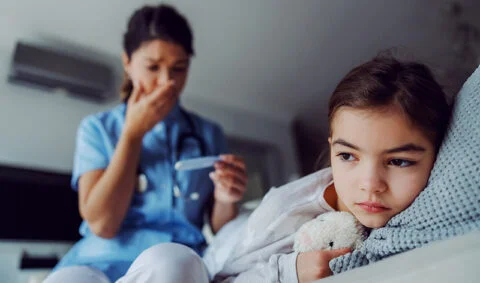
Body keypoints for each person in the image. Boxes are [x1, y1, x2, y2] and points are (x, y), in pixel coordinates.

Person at [45, 4, 247, 283]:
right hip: (98, 260)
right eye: (153, 67)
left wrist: (226, 198)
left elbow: (220, 228)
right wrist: (132, 135)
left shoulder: (208, 133)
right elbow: (103, 224)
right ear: (127, 62)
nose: (167, 82)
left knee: (171, 263)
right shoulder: (98, 129)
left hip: (175, 261)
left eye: (179, 68)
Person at [212, 54, 451, 282]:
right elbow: (220, 279)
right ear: (332, 148)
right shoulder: (284, 214)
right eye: (347, 156)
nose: (369, 185)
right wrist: (287, 273)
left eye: (398, 161)